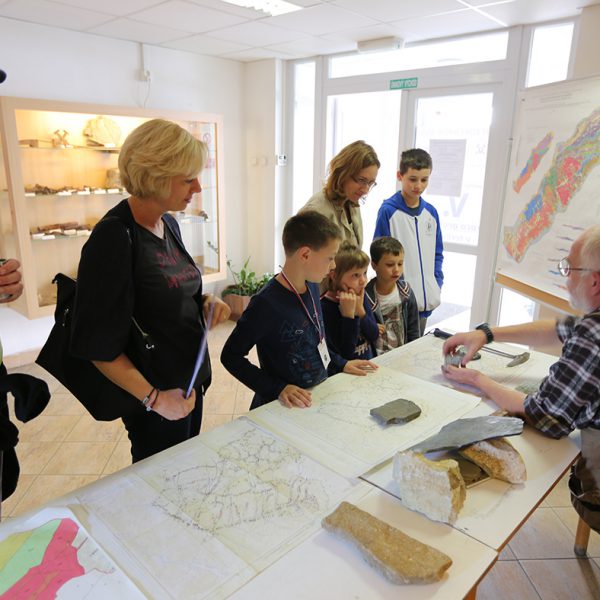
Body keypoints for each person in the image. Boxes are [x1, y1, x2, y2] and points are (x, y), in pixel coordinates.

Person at [70, 119, 230, 463]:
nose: (198, 186)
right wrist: (154, 399)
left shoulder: (168, 222)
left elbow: (167, 290)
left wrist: (205, 302)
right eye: (187, 179)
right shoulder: (113, 238)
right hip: (155, 396)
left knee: (186, 469)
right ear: (156, 176)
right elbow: (98, 347)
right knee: (162, 481)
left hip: (188, 380)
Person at [441, 225, 600, 530]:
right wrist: (486, 334)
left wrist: (478, 380)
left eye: (569, 268)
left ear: (594, 281)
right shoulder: (590, 325)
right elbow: (560, 329)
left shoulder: (593, 334)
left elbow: (546, 417)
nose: (565, 278)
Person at [221, 211, 377, 410]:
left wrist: (341, 363)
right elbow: (230, 356)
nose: (333, 266)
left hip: (315, 397)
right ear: (305, 255)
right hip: (282, 405)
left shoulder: (312, 285)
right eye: (330, 258)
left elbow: (315, 342)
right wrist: (277, 388)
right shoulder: (265, 304)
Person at [373, 148, 443, 335]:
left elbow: (437, 254)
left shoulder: (431, 213)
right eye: (412, 179)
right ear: (400, 176)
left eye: (424, 180)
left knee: (418, 346)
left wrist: (436, 283)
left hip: (425, 303)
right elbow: (379, 256)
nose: (418, 185)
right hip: (399, 304)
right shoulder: (388, 212)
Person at [300, 140, 380, 250]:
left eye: (370, 183)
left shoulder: (351, 202)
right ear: (343, 173)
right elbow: (303, 257)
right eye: (361, 180)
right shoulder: (316, 211)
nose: (366, 190)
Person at [321, 241, 379, 360]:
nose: (363, 281)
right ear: (334, 276)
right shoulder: (324, 307)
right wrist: (349, 317)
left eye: (364, 273)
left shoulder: (360, 296)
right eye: (356, 275)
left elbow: (374, 335)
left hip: (370, 365)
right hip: (349, 371)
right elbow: (345, 354)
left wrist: (360, 311)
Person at [365, 237, 420, 355]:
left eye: (400, 264)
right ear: (374, 266)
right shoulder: (365, 297)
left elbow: (413, 330)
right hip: (376, 358)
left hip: (402, 355)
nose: (396, 270)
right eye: (390, 265)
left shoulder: (406, 292)